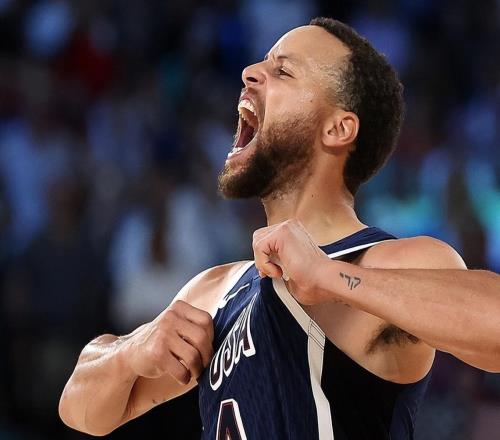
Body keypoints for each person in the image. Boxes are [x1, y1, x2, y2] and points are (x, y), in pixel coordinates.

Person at [59, 17, 500, 439]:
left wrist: (330, 276)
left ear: (338, 128)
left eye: (283, 71)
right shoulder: (214, 291)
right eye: (262, 62)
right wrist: (132, 351)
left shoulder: (385, 262)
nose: (250, 72)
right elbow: (79, 410)